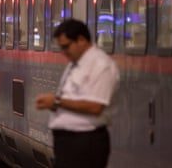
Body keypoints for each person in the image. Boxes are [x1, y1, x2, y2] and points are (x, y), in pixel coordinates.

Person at [35, 19, 120, 168]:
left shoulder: (101, 65)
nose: (64, 52)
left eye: (66, 47)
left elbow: (95, 107)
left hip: (85, 143)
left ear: (81, 40)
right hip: (69, 144)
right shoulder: (75, 65)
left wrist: (56, 102)